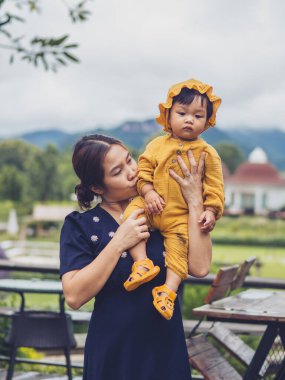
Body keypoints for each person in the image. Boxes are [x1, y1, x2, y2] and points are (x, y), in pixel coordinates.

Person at [60, 133, 212, 380]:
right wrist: (119, 242)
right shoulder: (81, 225)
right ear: (97, 187)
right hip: (114, 356)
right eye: (118, 171)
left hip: (166, 352)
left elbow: (200, 266)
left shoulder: (162, 212)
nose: (132, 172)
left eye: (130, 161)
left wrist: (195, 202)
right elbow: (74, 295)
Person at [123, 78, 224, 320]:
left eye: (198, 115)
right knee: (131, 216)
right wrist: (148, 192)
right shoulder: (156, 145)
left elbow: (215, 187)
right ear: (168, 116)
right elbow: (143, 172)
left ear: (207, 122)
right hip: (150, 205)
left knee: (179, 250)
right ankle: (142, 263)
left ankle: (168, 291)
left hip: (179, 216)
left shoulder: (208, 153)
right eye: (182, 113)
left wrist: (210, 211)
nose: (189, 119)